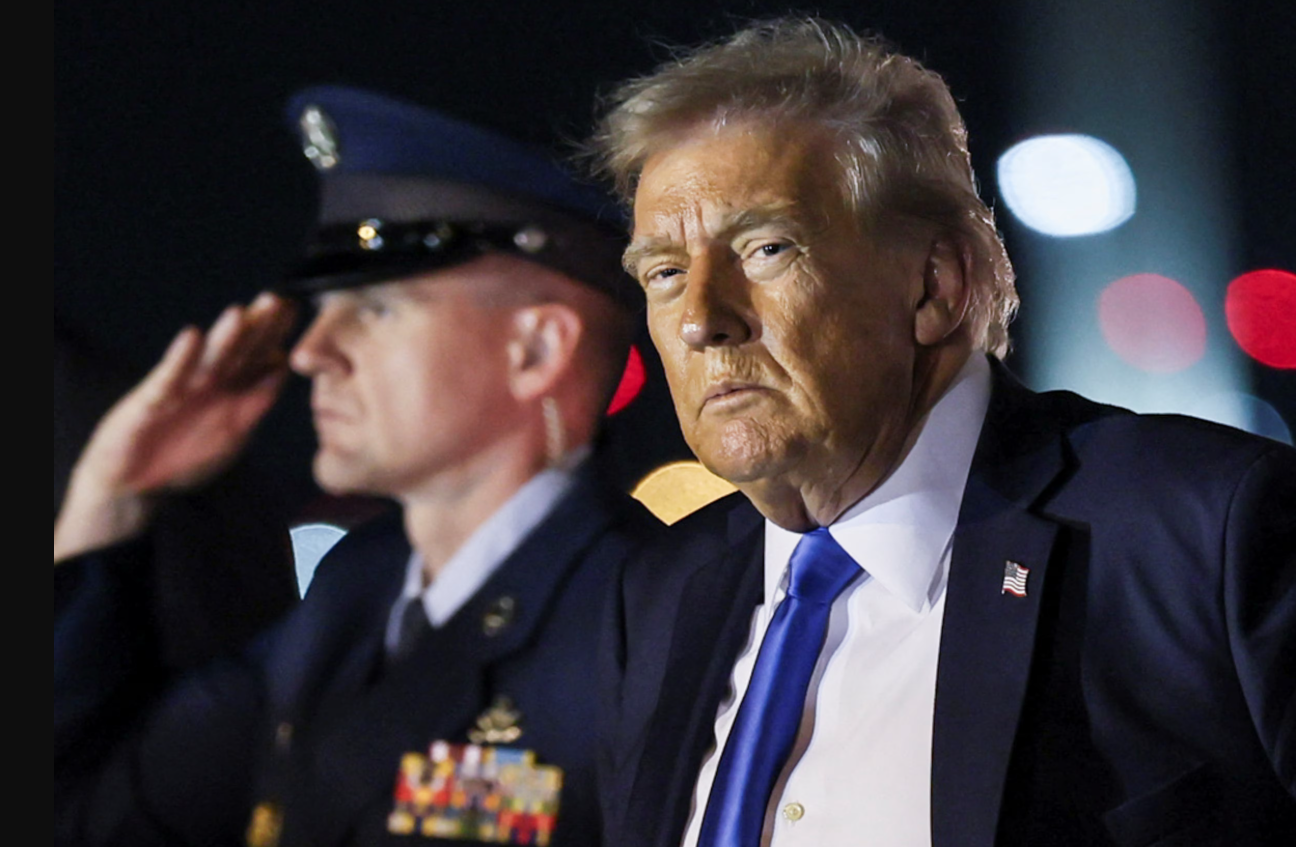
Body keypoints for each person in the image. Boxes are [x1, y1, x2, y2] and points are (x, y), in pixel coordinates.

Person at [585, 18, 1295, 847]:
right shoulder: (661, 594)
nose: (703, 318)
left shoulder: (1206, 531)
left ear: (937, 284)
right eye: (666, 273)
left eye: (767, 248)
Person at [54, 85, 659, 847]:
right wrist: (111, 497)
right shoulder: (349, 597)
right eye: (322, 309)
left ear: (535, 350)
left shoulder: (642, 620)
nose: (310, 352)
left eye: (374, 310)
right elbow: (88, 816)